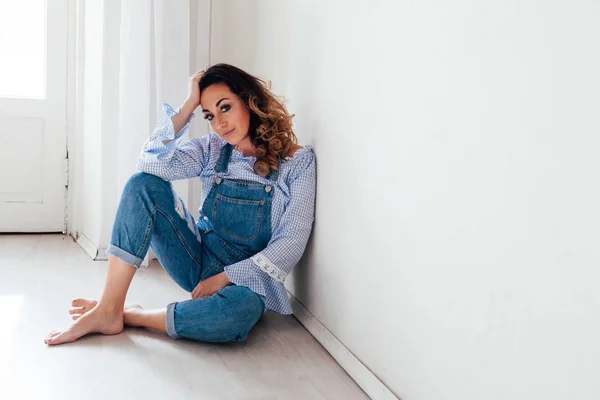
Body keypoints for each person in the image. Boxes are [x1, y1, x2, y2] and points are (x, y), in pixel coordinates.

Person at [44, 64, 316, 345]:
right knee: (143, 184)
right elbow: (149, 163)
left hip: (246, 282)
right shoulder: (212, 149)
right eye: (209, 115)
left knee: (237, 313)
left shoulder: (297, 163)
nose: (219, 124)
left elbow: (290, 244)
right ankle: (109, 305)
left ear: (250, 100)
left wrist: (226, 277)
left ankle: (125, 315)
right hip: (196, 260)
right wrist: (188, 106)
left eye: (225, 107)